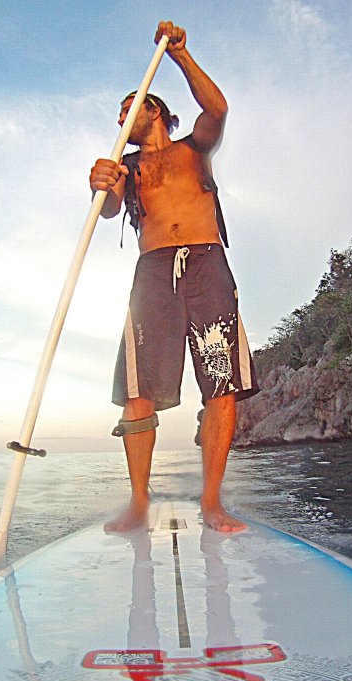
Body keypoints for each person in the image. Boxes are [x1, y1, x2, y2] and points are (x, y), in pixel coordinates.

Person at [90, 21, 257, 533]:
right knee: (139, 389)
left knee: (221, 385)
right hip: (154, 272)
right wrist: (100, 182)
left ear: (154, 108)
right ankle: (139, 502)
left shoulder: (193, 148)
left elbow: (218, 110)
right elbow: (110, 209)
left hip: (207, 265)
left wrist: (182, 55)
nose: (121, 118)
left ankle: (212, 502)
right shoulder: (127, 167)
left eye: (129, 107)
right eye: (118, 114)